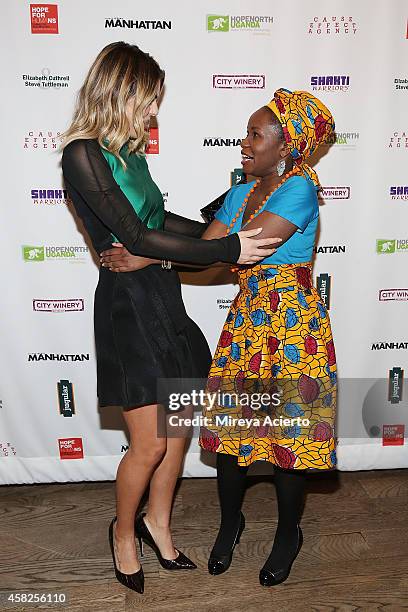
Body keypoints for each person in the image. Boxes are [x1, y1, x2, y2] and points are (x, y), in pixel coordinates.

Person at [60, 41, 280, 594]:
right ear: (122, 91)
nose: (154, 112)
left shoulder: (133, 156)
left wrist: (227, 226)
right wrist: (227, 250)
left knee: (176, 430)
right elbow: (133, 238)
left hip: (164, 295)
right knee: (149, 443)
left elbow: (162, 222)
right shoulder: (83, 154)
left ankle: (159, 525)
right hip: (126, 306)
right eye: (149, 98)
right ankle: (124, 535)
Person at [197, 88, 337, 586]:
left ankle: (286, 535)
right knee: (233, 435)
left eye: (256, 134)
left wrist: (156, 251)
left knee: (289, 441)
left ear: (285, 146)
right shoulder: (238, 193)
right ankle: (230, 522)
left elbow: (239, 249)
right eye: (247, 132)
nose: (245, 142)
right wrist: (146, 254)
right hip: (247, 324)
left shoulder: (299, 188)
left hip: (293, 327)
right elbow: (202, 248)